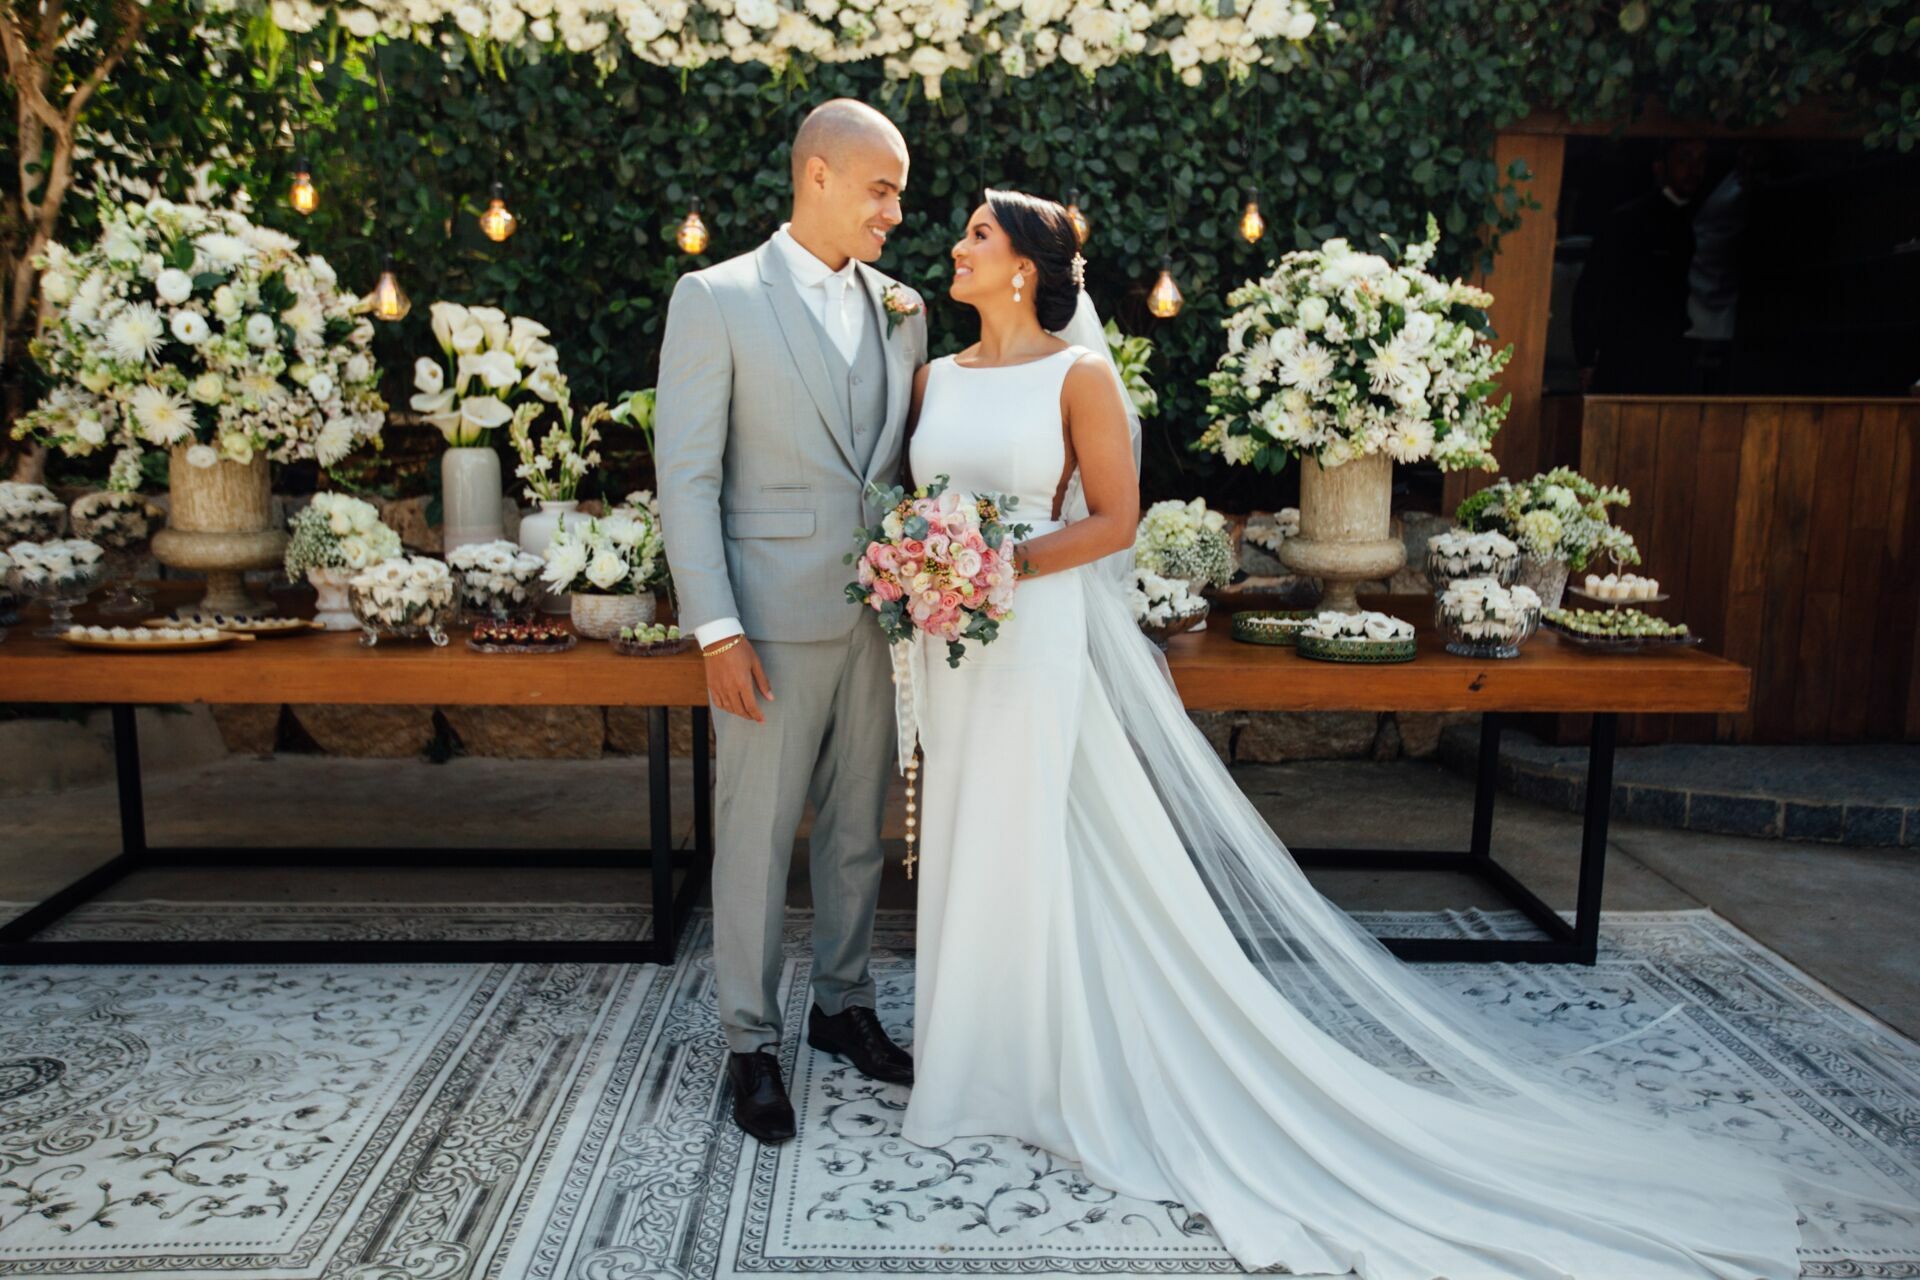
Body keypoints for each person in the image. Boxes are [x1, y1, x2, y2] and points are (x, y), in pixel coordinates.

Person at [895, 187, 1810, 1278]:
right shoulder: (933, 376)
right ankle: (967, 1059)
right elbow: (921, 499)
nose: (956, 247)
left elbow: (1115, 519)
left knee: (1031, 828)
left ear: (1028, 268)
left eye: (978, 236)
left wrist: (990, 562)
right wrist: (922, 560)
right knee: (958, 821)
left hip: (1027, 628)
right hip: (948, 640)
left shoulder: (1077, 375)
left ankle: (1035, 1064)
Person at [654, 99, 928, 1145]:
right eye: (882, 188)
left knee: (859, 830)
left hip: (880, 616)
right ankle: (749, 1040)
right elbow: (686, 477)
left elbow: (896, 461)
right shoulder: (716, 297)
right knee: (759, 839)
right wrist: (715, 628)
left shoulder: (903, 310)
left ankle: (842, 1006)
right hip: (764, 623)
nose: (896, 212)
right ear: (818, 174)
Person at [1572, 138, 1709, 393]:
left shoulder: (1695, 221)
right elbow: (1592, 291)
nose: (1694, 169)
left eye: (1701, 161)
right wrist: (1587, 357)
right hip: (1626, 357)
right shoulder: (1628, 221)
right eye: (1684, 159)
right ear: (1660, 167)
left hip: (1674, 358)